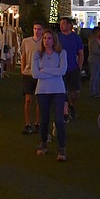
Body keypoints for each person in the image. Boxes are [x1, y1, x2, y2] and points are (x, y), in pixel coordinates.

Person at [32, 29, 68, 161]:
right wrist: (54, 72)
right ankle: (43, 144)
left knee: (59, 120)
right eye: (45, 38)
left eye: (49, 38)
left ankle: (62, 148)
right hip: (42, 91)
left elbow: (62, 71)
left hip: (58, 90)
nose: (47, 41)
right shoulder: (37, 54)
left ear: (54, 40)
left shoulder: (61, 53)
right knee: (44, 119)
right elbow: (35, 74)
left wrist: (45, 70)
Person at [58, 17, 84, 121]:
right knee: (63, 91)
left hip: (73, 68)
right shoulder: (58, 37)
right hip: (61, 69)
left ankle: (71, 105)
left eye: (63, 23)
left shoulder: (76, 38)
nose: (61, 26)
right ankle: (65, 112)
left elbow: (80, 53)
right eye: (60, 24)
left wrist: (79, 66)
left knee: (75, 92)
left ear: (69, 25)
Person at [20, 21, 43, 135]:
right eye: (35, 29)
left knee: (39, 100)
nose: (36, 31)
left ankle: (37, 123)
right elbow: (23, 56)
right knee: (28, 99)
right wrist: (23, 70)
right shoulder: (26, 41)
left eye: (39, 29)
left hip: (39, 74)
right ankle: (27, 123)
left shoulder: (44, 42)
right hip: (28, 73)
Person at [87, 27, 100, 97]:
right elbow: (95, 50)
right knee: (94, 76)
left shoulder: (95, 40)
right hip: (94, 60)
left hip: (96, 60)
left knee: (97, 76)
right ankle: (93, 91)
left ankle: (96, 91)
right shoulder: (94, 40)